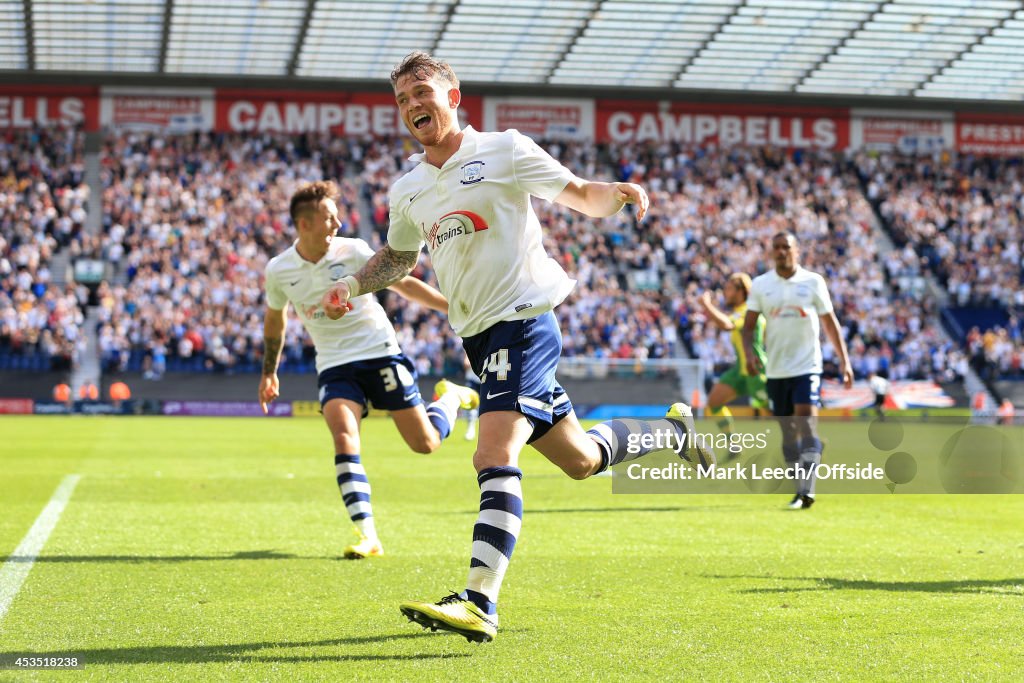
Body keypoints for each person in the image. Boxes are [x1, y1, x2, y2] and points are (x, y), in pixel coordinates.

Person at [320, 51, 712, 642]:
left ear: (453, 96)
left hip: (523, 322)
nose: (412, 106)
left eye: (421, 92)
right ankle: (675, 433)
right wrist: (351, 284)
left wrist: (619, 193)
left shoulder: (503, 149)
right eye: (402, 99)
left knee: (491, 454)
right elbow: (399, 258)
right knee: (581, 460)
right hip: (479, 337)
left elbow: (579, 193)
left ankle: (479, 601)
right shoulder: (408, 189)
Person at [259, 180, 479, 560]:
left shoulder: (354, 251)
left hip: (379, 353)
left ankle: (451, 397)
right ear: (305, 224)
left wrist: (452, 307)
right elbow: (275, 321)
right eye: (329, 217)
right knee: (344, 438)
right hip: (334, 364)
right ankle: (367, 534)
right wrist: (269, 371)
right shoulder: (279, 270)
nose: (338, 224)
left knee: (425, 444)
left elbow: (403, 284)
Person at [743, 231, 853, 511]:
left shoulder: (814, 282)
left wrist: (845, 361)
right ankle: (798, 486)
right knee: (787, 431)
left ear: (797, 252)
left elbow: (830, 323)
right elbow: (748, 327)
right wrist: (750, 355)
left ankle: (808, 489)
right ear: (771, 252)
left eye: (786, 247)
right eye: (777, 247)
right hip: (776, 369)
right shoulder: (761, 284)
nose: (782, 252)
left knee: (806, 423)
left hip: (807, 366)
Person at [698, 274, 769, 457]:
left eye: (729, 288)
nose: (725, 293)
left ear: (740, 291)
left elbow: (727, 325)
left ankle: (809, 442)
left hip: (756, 369)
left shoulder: (748, 311)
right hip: (741, 369)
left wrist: (706, 305)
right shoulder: (740, 311)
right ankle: (733, 444)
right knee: (714, 402)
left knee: (777, 414)